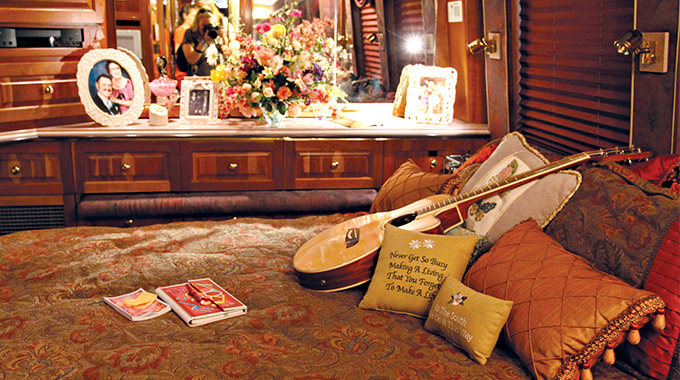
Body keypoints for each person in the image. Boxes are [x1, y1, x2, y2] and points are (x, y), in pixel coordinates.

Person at [181, 7, 220, 76]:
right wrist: (204, 42)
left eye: (210, 25)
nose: (207, 28)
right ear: (197, 24)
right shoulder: (190, 34)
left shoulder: (215, 34)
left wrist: (223, 38)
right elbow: (191, 60)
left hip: (215, 77)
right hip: (196, 79)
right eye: (204, 25)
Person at [174, 4, 198, 83]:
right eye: (193, 16)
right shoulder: (181, 31)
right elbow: (178, 52)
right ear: (185, 15)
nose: (195, 18)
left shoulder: (193, 31)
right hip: (184, 72)